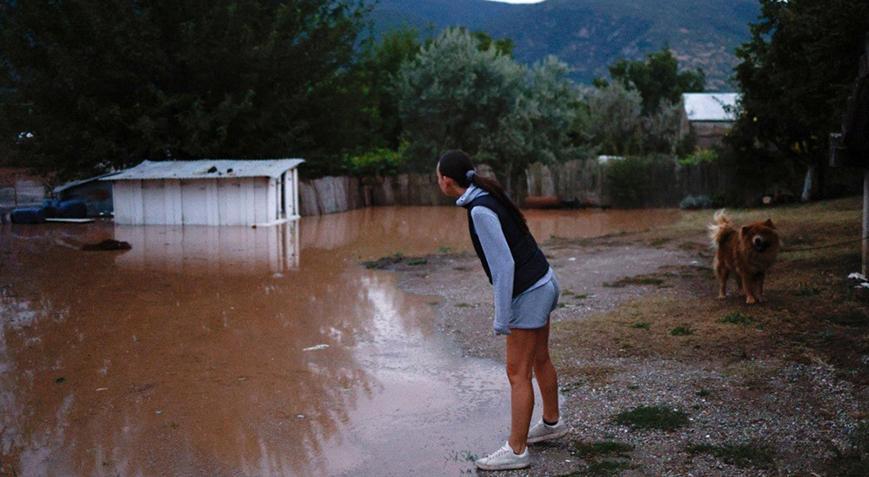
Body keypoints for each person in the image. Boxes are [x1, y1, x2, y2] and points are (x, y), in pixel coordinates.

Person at [436, 150, 568, 471]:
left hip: (529, 293)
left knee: (516, 373)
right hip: (544, 280)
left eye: (437, 176)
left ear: (446, 181)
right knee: (539, 359)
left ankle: (516, 450)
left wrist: (501, 317)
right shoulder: (486, 195)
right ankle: (552, 423)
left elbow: (504, 266)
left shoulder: (479, 210)